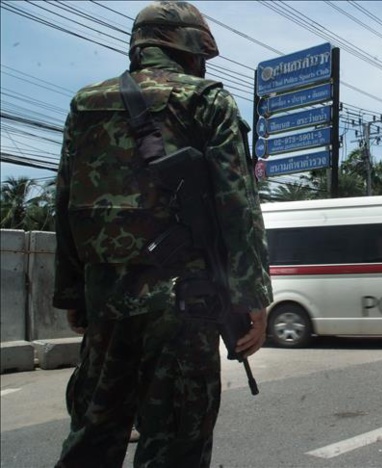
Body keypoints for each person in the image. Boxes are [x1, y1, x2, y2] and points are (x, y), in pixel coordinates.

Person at [52, 2, 273, 467]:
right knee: (174, 440)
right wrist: (252, 295)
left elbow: (66, 202)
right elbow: (239, 204)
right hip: (183, 303)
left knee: (94, 432)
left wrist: (74, 293)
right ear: (191, 46)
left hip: (105, 299)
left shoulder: (84, 102)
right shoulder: (207, 99)